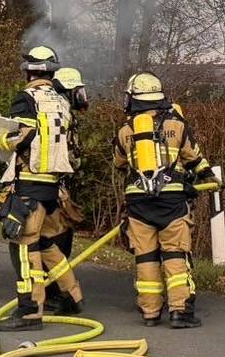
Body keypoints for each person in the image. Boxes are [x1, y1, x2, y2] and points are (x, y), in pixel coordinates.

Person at [0, 45, 85, 330]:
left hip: (30, 186)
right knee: (46, 243)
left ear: (29, 72)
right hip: (53, 188)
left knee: (21, 245)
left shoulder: (25, 99)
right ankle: (72, 296)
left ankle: (30, 311)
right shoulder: (62, 102)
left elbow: (21, 137)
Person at [113, 72, 214, 328]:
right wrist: (208, 176)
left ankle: (150, 312)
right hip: (172, 201)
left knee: (145, 257)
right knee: (175, 254)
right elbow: (193, 157)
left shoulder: (126, 130)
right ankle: (180, 312)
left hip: (138, 202)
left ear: (133, 98)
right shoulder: (177, 125)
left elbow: (119, 163)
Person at [40, 66, 89, 315]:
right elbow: (72, 157)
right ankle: (56, 294)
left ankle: (57, 293)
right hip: (56, 188)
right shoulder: (61, 114)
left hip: (57, 188)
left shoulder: (59, 112)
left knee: (55, 242)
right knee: (54, 242)